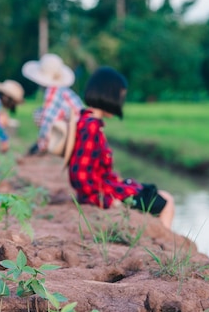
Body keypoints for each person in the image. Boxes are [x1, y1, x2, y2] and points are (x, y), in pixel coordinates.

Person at [65, 66, 175, 229]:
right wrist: (109, 202)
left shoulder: (86, 120)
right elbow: (80, 176)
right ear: (109, 94)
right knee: (166, 203)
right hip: (103, 194)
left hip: (106, 187)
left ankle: (163, 239)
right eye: (120, 97)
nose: (120, 103)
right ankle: (166, 243)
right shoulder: (91, 127)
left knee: (161, 195)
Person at [21, 53, 83, 156]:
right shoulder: (61, 90)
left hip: (76, 130)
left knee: (39, 114)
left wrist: (40, 145)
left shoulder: (53, 90)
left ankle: (54, 144)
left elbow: (48, 119)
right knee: (41, 112)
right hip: (78, 126)